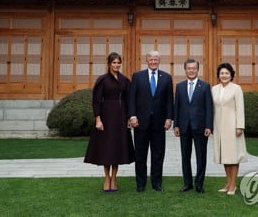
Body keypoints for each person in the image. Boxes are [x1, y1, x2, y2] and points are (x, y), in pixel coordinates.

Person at [84, 52, 135, 192]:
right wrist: (98, 119)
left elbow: (129, 100)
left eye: (118, 62)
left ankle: (114, 177)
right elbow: (96, 100)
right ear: (109, 64)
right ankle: (106, 177)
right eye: (114, 62)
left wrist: (129, 118)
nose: (116, 65)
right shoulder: (102, 80)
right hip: (106, 117)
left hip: (121, 118)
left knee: (117, 149)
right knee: (107, 149)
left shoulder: (125, 80)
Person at [128, 50, 173, 192]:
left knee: (158, 155)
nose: (153, 62)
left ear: (159, 61)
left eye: (156, 59)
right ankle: (140, 184)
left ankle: (156, 183)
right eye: (151, 59)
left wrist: (169, 118)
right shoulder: (137, 76)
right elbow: (131, 99)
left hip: (159, 123)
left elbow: (169, 101)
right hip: (140, 122)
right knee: (140, 155)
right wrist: (132, 116)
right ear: (146, 61)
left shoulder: (166, 77)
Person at [174, 59, 213, 194]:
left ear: (198, 70)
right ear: (185, 70)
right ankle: (187, 184)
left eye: (194, 68)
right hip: (184, 127)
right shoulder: (179, 86)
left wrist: (209, 125)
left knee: (201, 157)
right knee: (185, 157)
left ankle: (199, 184)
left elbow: (209, 108)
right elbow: (177, 107)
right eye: (189, 68)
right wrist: (176, 125)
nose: (191, 71)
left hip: (201, 127)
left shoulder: (205, 86)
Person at [211, 62, 247, 195]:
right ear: (218, 75)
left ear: (231, 75)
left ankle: (233, 185)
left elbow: (240, 108)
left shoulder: (236, 89)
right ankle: (228, 183)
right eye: (222, 73)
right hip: (219, 127)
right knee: (224, 156)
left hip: (233, 127)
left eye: (227, 73)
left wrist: (240, 126)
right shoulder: (214, 89)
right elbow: (212, 109)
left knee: (233, 156)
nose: (224, 75)